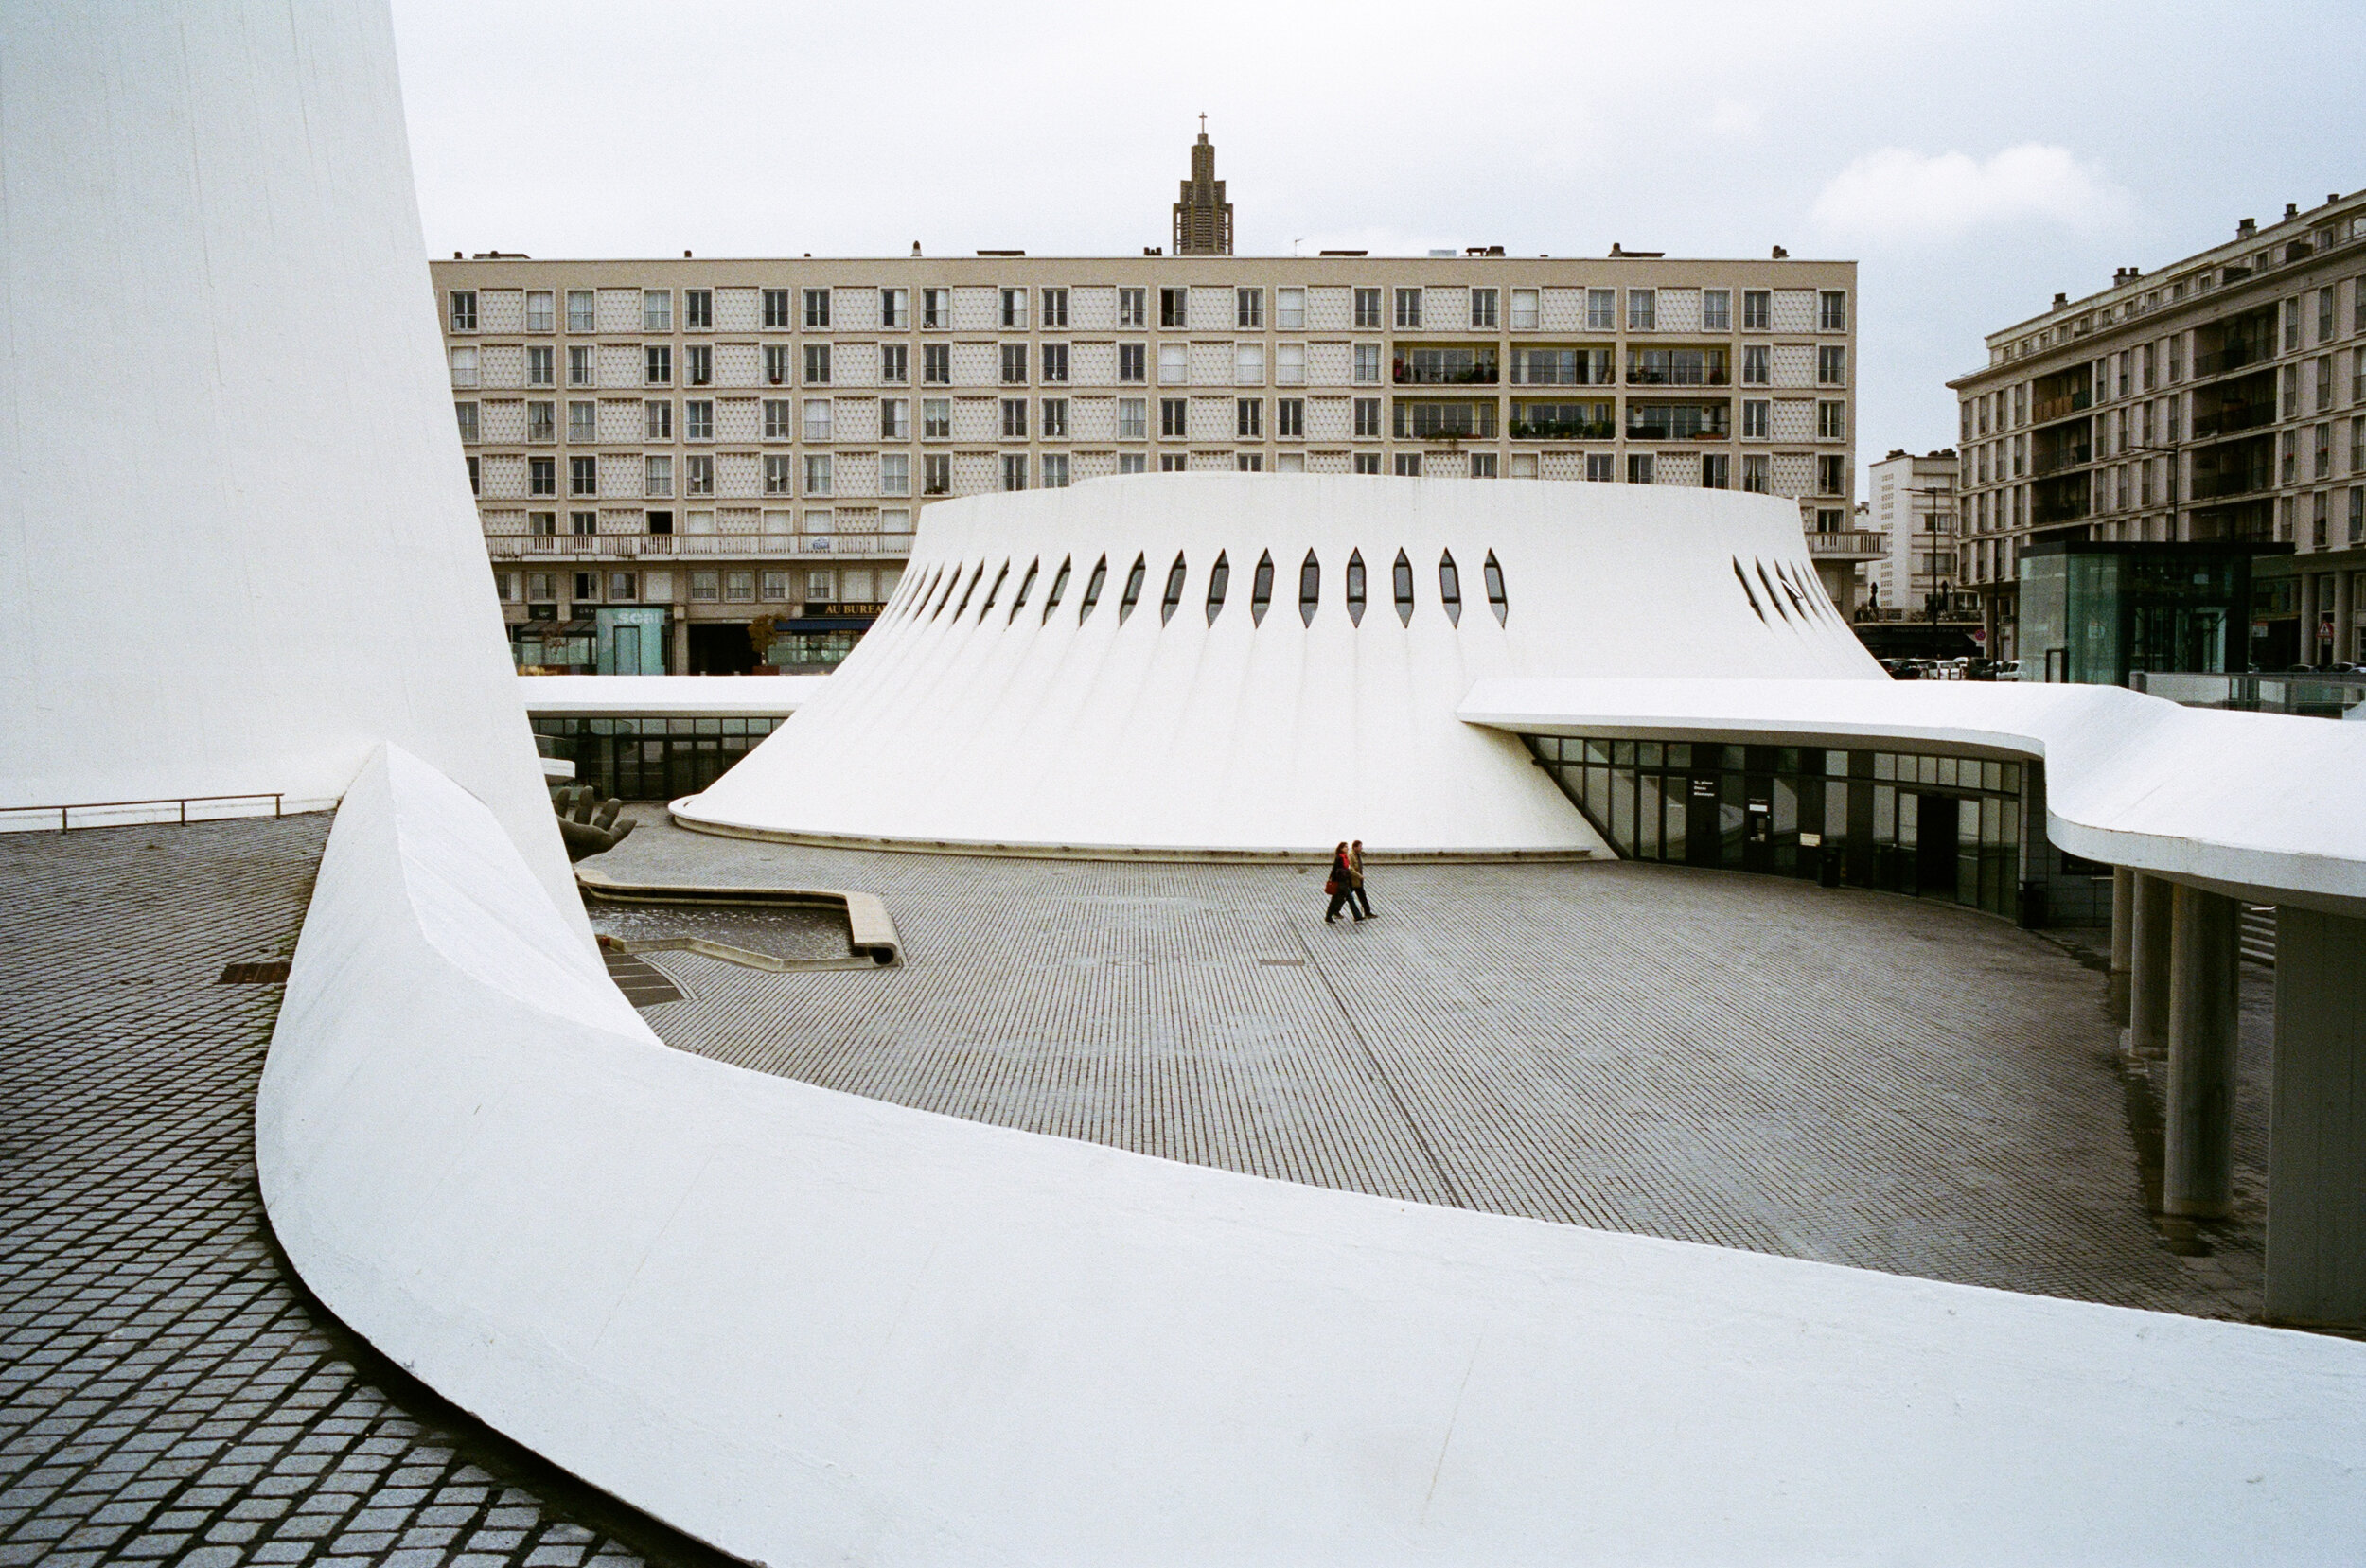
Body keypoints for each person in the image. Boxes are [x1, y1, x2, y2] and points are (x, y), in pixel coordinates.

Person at [1323, 842, 1363, 923]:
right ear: (1341, 848)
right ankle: (1357, 916)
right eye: (1345, 847)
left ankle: (1328, 916)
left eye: (1347, 847)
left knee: (1335, 900)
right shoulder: (1340, 858)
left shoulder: (1345, 857)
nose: (1347, 848)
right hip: (1340, 882)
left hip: (1344, 881)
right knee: (1350, 898)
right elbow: (1335, 869)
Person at [1348, 839, 1374, 919]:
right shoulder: (1351, 855)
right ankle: (1335, 910)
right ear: (1355, 847)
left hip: (1358, 881)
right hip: (1353, 880)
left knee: (1362, 896)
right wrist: (1359, 875)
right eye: (1360, 846)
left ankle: (1367, 912)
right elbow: (1350, 868)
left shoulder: (1357, 854)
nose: (1361, 848)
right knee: (1347, 897)